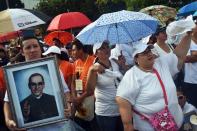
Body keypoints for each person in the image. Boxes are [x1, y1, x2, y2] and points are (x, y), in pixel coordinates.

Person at [116, 31, 192, 131]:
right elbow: (122, 99)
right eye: (143, 53)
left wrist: (188, 35)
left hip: (177, 123)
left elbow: (178, 56)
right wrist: (128, 126)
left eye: (149, 50)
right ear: (136, 59)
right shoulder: (132, 75)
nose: (148, 54)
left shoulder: (160, 63)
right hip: (151, 127)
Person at [3, 36, 71, 131]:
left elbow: (65, 91)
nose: (32, 50)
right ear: (22, 52)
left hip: (58, 127)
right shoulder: (14, 72)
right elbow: (7, 101)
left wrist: (68, 105)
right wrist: (8, 120)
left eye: (35, 46)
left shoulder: (53, 68)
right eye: (28, 47)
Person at [85, 41, 124, 131]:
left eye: (107, 47)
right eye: (102, 48)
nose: (106, 50)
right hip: (106, 112)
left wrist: (123, 65)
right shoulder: (94, 68)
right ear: (96, 53)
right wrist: (91, 70)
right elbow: (89, 91)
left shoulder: (114, 61)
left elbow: (122, 77)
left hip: (121, 108)